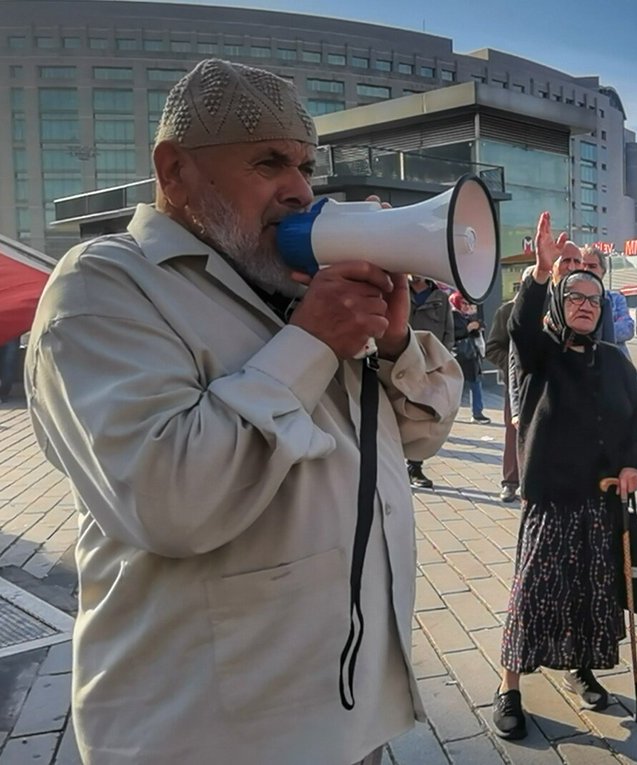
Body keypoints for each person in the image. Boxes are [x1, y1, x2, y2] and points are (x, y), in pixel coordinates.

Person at [23, 59, 462, 765]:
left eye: (305, 165)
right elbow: (170, 499)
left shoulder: (290, 290)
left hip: (347, 718)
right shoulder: (103, 286)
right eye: (268, 163)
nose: (299, 190)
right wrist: (311, 342)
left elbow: (422, 436)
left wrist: (394, 341)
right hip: (209, 736)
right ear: (176, 172)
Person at [492, 212, 637, 741]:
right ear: (560, 304)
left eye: (593, 299)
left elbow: (636, 419)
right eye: (574, 297)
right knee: (534, 589)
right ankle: (510, 684)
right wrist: (541, 272)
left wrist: (632, 463)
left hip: (601, 498)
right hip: (551, 497)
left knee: (591, 592)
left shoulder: (615, 359)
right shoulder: (542, 353)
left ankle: (580, 666)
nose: (584, 305)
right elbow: (519, 326)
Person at [485, 268, 536, 504]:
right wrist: (513, 365)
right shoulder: (506, 311)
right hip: (515, 385)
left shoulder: (546, 310)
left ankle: (535, 482)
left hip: (542, 383)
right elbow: (492, 348)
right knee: (514, 433)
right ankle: (510, 482)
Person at [407, 274, 456, 488]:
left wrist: (441, 361)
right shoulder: (397, 291)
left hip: (429, 364)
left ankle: (414, 467)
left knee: (422, 415)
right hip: (400, 360)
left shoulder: (440, 298)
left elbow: (449, 331)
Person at [587, 245, 635, 356]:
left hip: (616, 364)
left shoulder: (615, 299)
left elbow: (627, 329)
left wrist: (592, 331)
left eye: (592, 266)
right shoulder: (571, 301)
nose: (586, 270)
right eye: (582, 265)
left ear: (603, 271)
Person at [450, 291, 490, 424]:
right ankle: (450, 413)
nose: (466, 306)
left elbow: (482, 325)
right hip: (460, 354)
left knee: (475, 384)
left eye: (468, 303)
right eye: (463, 303)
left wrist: (477, 325)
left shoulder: (468, 316)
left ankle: (477, 413)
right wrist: (468, 328)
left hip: (472, 354)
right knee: (456, 386)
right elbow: (453, 334)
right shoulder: (453, 316)